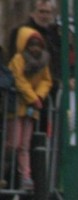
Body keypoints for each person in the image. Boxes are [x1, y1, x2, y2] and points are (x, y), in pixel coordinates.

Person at [6, 27, 53, 190]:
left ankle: (25, 176)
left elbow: (47, 81)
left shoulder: (43, 62)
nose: (35, 48)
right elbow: (18, 80)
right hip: (15, 108)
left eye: (38, 45)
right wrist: (33, 98)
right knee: (13, 143)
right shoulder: (17, 60)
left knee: (25, 145)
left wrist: (39, 97)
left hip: (31, 110)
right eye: (31, 44)